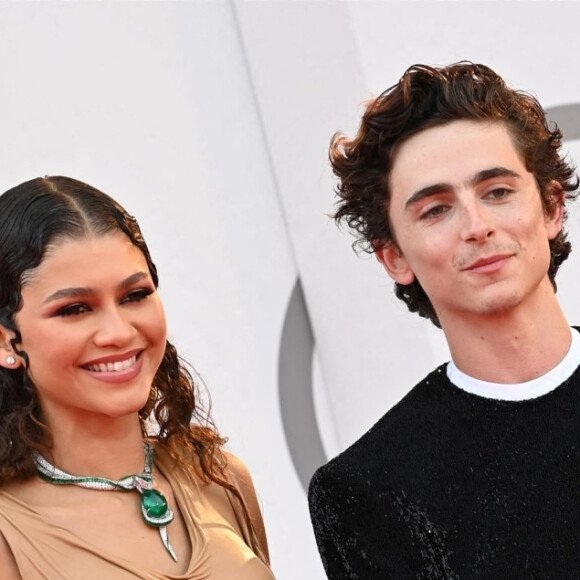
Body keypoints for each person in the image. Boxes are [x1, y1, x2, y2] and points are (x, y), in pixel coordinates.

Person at [308, 62, 580, 579]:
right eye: (435, 209)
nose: (476, 227)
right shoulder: (369, 490)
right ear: (394, 258)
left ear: (551, 207)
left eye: (497, 192)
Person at [0, 176, 274, 579]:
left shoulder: (222, 478)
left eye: (134, 296)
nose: (119, 332)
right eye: (75, 309)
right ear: (6, 342)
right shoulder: (9, 532)